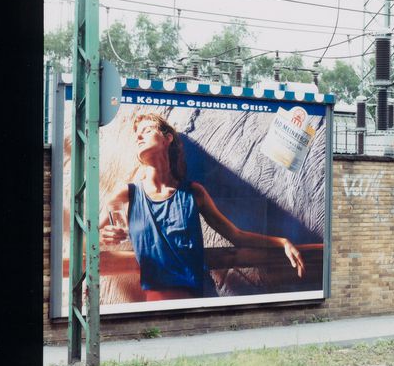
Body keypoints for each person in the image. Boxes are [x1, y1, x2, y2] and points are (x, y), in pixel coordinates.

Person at [101, 112, 305, 301]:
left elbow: (237, 235)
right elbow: (94, 225)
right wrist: (104, 234)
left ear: (167, 138)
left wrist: (282, 242)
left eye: (146, 130)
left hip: (202, 299)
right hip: (159, 304)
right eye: (136, 134)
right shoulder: (127, 193)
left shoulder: (193, 193)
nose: (139, 137)